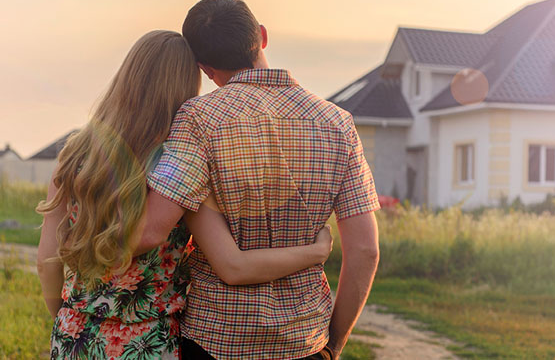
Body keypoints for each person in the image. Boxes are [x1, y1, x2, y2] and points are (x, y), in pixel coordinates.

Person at [37, 30, 334, 360]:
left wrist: (70, 321)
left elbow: (45, 262)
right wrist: (316, 251)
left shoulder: (75, 157)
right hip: (148, 342)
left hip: (73, 334)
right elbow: (233, 264)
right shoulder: (178, 168)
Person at [138, 0, 381, 360]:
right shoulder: (337, 124)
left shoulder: (198, 118)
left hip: (215, 340)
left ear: (204, 68)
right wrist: (334, 344)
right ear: (262, 36)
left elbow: (153, 228)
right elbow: (365, 250)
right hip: (305, 341)